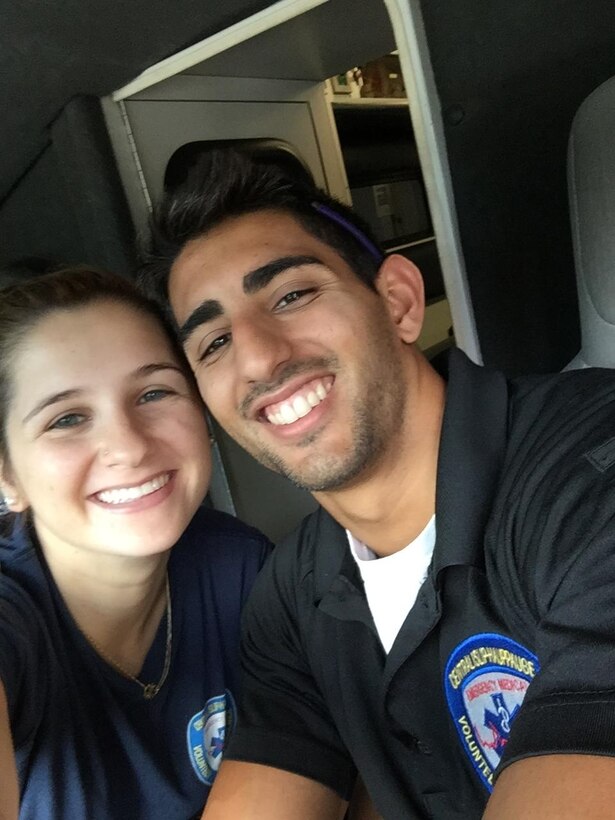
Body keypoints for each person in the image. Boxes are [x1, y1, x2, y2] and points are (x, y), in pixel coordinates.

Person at [140, 149, 615, 820]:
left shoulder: (589, 478)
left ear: (397, 302)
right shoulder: (291, 590)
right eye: (212, 343)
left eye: (291, 295)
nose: (256, 358)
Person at [0, 266, 271, 820]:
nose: (128, 446)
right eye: (67, 419)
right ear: (8, 476)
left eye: (153, 392)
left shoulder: (240, 567)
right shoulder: (14, 619)